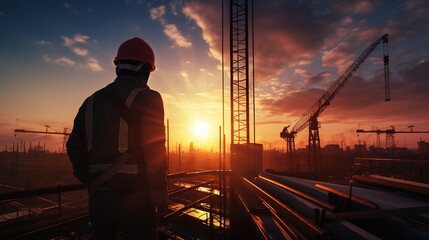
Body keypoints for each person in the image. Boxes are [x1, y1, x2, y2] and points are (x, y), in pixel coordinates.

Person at [66, 37, 168, 239]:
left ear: (117, 67)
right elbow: (155, 150)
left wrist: (89, 180)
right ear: (146, 70)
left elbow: (73, 146)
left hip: (100, 199)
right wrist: (159, 195)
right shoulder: (149, 98)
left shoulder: (90, 101)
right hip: (136, 199)